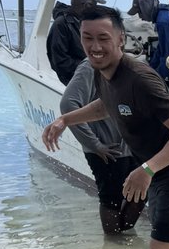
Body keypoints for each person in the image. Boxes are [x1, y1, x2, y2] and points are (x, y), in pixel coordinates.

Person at [41, 6, 169, 249]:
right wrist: (66, 119)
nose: (95, 46)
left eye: (103, 38)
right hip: (160, 169)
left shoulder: (140, 78)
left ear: (121, 39)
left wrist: (146, 169)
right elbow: (106, 106)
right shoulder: (103, 72)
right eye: (87, 37)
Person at [60, 58, 145, 235]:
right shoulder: (89, 67)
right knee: (112, 199)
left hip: (133, 146)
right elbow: (68, 104)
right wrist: (95, 144)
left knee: (141, 193)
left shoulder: (132, 64)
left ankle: (123, 241)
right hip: (107, 148)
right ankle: (114, 241)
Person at [46, 0, 104, 84]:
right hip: (77, 80)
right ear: (85, 5)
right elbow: (60, 61)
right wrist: (90, 68)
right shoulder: (61, 24)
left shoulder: (85, 22)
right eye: (94, 4)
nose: (96, 8)